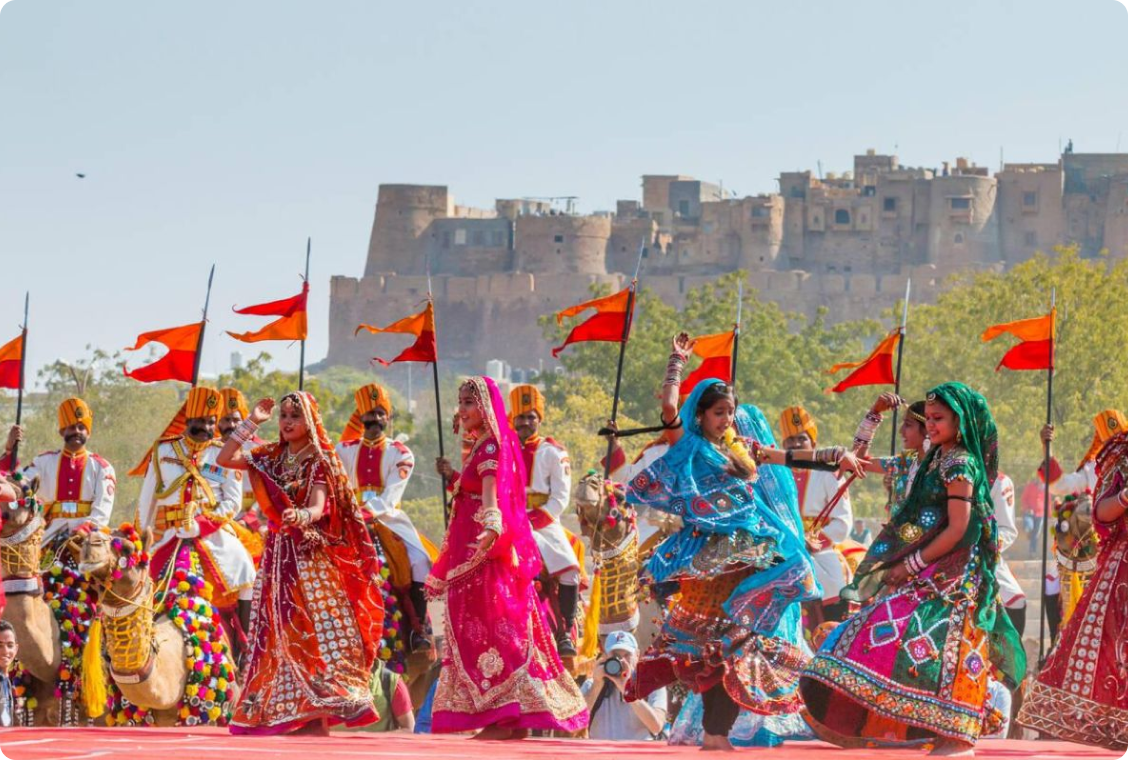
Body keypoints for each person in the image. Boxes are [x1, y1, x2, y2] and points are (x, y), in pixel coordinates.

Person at [625, 334, 864, 751]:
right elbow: (667, 408)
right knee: (716, 649)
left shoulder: (744, 448)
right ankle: (715, 735)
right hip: (711, 561)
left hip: (752, 556)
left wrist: (837, 455)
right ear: (699, 415)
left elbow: (790, 458)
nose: (726, 419)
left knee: (739, 646)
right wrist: (676, 364)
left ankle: (718, 734)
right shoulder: (691, 445)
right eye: (719, 413)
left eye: (730, 413)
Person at [800, 382, 1026, 755]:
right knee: (899, 637)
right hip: (917, 560)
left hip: (948, 572)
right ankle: (909, 725)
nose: (929, 426)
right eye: (928, 420)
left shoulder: (957, 462)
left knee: (943, 642)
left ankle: (955, 733)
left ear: (960, 420)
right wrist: (872, 415)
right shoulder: (929, 460)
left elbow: (959, 526)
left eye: (936, 420)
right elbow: (858, 462)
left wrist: (912, 563)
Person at [429, 376, 587, 739]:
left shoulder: (515, 449)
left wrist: (493, 529)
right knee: (488, 627)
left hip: (501, 539)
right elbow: (473, 490)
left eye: (469, 402)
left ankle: (564, 633)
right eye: (461, 402)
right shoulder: (483, 444)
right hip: (487, 537)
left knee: (564, 570)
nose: (463, 409)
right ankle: (509, 715)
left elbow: (493, 497)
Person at [220, 391, 385, 735]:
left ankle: (320, 711)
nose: (287, 422)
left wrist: (301, 515)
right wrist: (252, 422)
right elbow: (225, 458)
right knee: (277, 630)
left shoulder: (319, 460)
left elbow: (319, 506)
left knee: (309, 629)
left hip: (308, 555)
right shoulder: (272, 456)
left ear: (309, 420)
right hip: (277, 553)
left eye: (295, 416)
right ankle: (295, 711)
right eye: (283, 416)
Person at [1017, 428, 1128, 751]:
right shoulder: (1110, 459)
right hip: (1096, 557)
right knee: (1088, 636)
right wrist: (1047, 446)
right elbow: (1064, 487)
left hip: (1101, 557)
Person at [133, 386, 257, 662]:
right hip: (169, 535)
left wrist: (200, 525)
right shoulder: (163, 450)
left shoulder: (223, 454)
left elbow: (232, 503)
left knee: (246, 570)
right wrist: (142, 540)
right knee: (137, 585)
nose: (206, 428)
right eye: (200, 422)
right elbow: (146, 503)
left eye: (211, 422)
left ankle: (244, 649)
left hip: (211, 535)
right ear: (188, 421)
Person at [337, 383, 435, 651]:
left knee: (419, 560)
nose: (375, 419)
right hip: (348, 519)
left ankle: (419, 630)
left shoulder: (401, 453)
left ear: (388, 418)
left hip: (389, 519)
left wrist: (364, 514)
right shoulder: (343, 449)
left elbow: (391, 496)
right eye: (370, 414)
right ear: (361, 417)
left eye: (381, 413)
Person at [508, 384, 582, 656]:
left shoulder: (554, 452)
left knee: (570, 570)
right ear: (512, 419)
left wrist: (534, 521)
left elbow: (560, 497)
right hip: (508, 518)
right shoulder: (502, 450)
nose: (526, 423)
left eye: (531, 417)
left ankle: (565, 632)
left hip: (544, 522)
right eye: (521, 417)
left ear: (539, 420)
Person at [779, 405, 854, 628]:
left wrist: (811, 543)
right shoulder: (777, 475)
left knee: (834, 585)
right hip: (781, 547)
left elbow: (843, 522)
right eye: (789, 441)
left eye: (801, 439)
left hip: (819, 551)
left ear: (813, 443)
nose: (795, 445)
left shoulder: (830, 474)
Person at [22, 398, 115, 544]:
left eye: (81, 427)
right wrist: (9, 451)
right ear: (62, 431)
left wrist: (87, 528)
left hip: (89, 536)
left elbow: (103, 507)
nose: (77, 431)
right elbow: (20, 484)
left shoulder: (102, 467)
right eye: (71, 427)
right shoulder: (43, 462)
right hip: (50, 534)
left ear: (88, 433)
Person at [581, 631, 666, 741]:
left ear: (637, 655)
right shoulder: (591, 685)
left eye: (627, 655)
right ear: (605, 657)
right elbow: (574, 724)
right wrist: (597, 686)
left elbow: (656, 727)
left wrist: (628, 691)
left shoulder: (653, 684)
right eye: (616, 656)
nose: (622, 661)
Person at [991, 470, 1027, 636]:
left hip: (982, 554)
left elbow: (1007, 530)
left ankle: (1010, 659)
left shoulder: (999, 481)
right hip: (932, 552)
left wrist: (983, 546)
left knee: (1015, 600)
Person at [364, 659, 415, 732]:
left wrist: (370, 739)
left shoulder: (390, 681)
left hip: (380, 743)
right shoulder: (341, 681)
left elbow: (409, 729)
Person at [0, 620, 17, 728]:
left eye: (10, 645)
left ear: (16, 648)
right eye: (0, 646)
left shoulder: (6, 680)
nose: (5, 651)